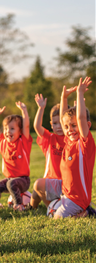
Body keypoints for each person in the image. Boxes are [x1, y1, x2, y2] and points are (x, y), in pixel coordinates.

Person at [50, 77, 96, 219]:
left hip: (78, 199)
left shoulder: (84, 143)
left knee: (58, 219)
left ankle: (86, 213)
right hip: (66, 196)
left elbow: (81, 117)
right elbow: (64, 118)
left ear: (86, 126)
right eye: (67, 127)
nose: (69, 130)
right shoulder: (68, 140)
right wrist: (63, 98)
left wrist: (80, 94)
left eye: (74, 126)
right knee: (50, 212)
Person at [0, 102, 33, 212]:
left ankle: (19, 205)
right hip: (9, 179)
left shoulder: (23, 142)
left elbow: (26, 125)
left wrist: (24, 110)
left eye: (12, 128)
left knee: (11, 184)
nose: (8, 131)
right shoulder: (3, 143)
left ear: (20, 131)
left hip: (23, 180)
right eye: (6, 129)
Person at [27, 95, 65, 210]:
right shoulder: (50, 138)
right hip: (49, 181)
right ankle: (32, 207)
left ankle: (52, 208)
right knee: (36, 190)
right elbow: (37, 127)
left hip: (65, 184)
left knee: (38, 187)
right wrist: (41, 108)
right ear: (51, 124)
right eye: (55, 123)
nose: (58, 126)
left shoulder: (71, 139)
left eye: (61, 123)